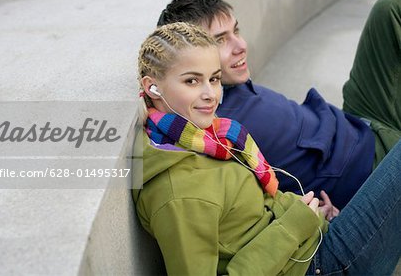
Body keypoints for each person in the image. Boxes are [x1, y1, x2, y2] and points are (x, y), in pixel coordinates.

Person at [133, 22, 401, 275]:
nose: (210, 94)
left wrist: (309, 215)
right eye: (192, 81)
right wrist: (294, 226)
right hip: (318, 265)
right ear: (152, 87)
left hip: (313, 236)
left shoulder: (206, 138)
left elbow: (252, 219)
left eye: (214, 79)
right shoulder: (178, 192)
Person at [156, 0, 401, 209]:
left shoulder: (229, 83)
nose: (240, 45)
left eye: (236, 31)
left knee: (389, 9)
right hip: (374, 167)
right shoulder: (216, 124)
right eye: (220, 40)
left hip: (357, 122)